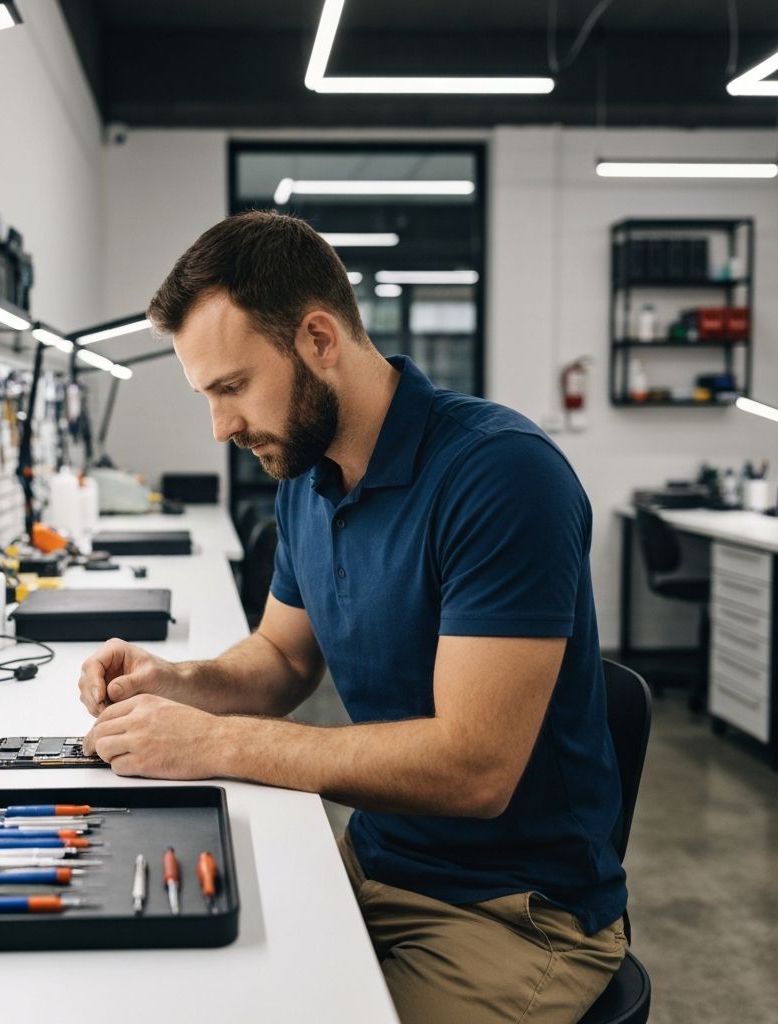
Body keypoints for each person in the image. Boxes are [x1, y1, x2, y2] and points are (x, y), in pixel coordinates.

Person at [78, 211, 627, 1023]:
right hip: (375, 860)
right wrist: (179, 682)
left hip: (514, 912)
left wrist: (220, 741)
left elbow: (476, 768)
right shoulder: (308, 473)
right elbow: (283, 659)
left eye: (232, 387)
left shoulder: (502, 478)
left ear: (319, 340)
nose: (221, 427)